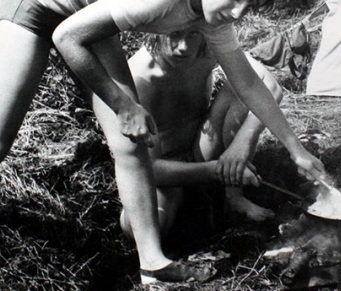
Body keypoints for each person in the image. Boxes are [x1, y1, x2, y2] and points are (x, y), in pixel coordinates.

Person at [0, 0, 328, 291]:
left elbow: (249, 83)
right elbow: (66, 36)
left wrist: (295, 149)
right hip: (38, 0)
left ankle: (153, 264)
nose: (238, 12)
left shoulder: (212, 16)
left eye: (250, 5)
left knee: (130, 144)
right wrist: (122, 103)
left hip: (86, 14)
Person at [111, 28, 281, 241]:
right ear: (154, 30)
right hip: (165, 171)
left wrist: (242, 144)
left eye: (192, 34)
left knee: (242, 88)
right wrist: (213, 170)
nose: (183, 47)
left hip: (201, 147)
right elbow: (149, 169)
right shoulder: (139, 78)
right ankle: (176, 204)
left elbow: (272, 86)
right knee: (142, 227)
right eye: (173, 34)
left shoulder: (207, 51)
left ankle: (233, 197)